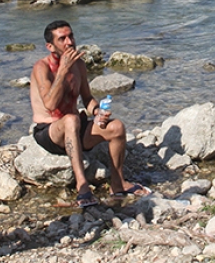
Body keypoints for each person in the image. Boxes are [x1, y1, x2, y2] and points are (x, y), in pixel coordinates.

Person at [30, 20, 150, 207]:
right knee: (70, 119)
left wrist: (98, 111)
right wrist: (63, 69)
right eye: (62, 39)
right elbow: (50, 104)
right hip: (50, 132)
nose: (69, 42)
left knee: (116, 127)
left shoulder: (79, 65)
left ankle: (118, 185)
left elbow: (87, 99)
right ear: (50, 46)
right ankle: (82, 186)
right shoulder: (42, 67)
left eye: (71, 36)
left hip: (76, 128)